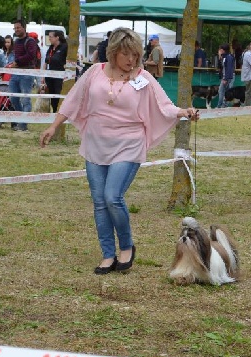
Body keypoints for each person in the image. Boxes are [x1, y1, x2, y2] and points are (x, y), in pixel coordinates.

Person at [39, 27, 199, 275]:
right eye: (127, 54)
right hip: (96, 143)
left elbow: (165, 105)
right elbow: (73, 99)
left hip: (128, 143)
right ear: (113, 52)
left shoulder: (143, 77)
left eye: (135, 55)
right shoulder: (94, 72)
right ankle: (107, 254)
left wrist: (184, 112)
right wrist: (53, 126)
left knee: (112, 196)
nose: (132, 60)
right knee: (99, 201)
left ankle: (126, 246)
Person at [9, 19, 39, 132]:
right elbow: (17, 56)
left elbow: (31, 55)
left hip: (27, 73)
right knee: (13, 98)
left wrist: (17, 62)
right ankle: (21, 119)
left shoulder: (30, 41)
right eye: (15, 28)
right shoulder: (16, 42)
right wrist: (14, 63)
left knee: (26, 100)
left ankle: (23, 124)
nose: (16, 30)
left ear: (24, 28)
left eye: (18, 27)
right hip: (16, 73)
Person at [44, 30, 68, 113]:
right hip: (50, 76)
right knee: (52, 96)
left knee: (58, 94)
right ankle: (54, 112)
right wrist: (43, 75)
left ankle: (60, 112)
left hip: (60, 76)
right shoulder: (50, 48)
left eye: (51, 37)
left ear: (57, 37)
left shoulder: (64, 47)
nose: (49, 38)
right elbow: (46, 62)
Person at [240, 41, 251, 106]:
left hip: (250, 77)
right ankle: (247, 106)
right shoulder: (249, 54)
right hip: (249, 77)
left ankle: (247, 105)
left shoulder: (249, 54)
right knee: (250, 92)